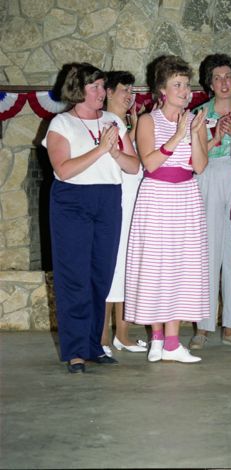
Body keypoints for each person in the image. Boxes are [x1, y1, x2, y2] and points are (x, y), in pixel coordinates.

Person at [43, 62, 139, 373]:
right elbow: (64, 170)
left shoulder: (113, 121)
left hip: (108, 200)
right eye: (95, 87)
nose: (102, 92)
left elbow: (133, 167)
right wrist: (101, 149)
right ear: (78, 90)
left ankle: (93, 345)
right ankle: (74, 351)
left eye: (102, 86)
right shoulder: (61, 124)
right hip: (72, 202)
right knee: (75, 278)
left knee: (101, 275)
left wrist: (113, 151)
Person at [124, 55, 210, 363]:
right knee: (156, 267)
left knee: (180, 267)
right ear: (162, 89)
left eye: (186, 85)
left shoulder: (194, 119)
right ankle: (157, 338)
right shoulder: (148, 120)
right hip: (157, 196)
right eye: (177, 84)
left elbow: (199, 165)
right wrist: (178, 134)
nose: (184, 90)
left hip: (186, 196)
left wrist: (197, 133)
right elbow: (149, 163)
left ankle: (172, 341)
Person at [189, 53, 231, 350]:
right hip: (208, 176)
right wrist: (214, 135)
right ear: (210, 83)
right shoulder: (198, 113)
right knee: (207, 249)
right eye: (217, 77)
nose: (224, 82)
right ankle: (202, 325)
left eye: (228, 76)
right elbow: (193, 152)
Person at [101, 71, 147, 357]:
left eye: (131, 90)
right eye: (122, 90)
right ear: (107, 92)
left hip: (132, 201)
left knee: (126, 269)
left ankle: (122, 334)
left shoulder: (121, 122)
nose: (128, 95)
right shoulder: (106, 122)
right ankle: (102, 337)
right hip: (117, 200)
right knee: (112, 269)